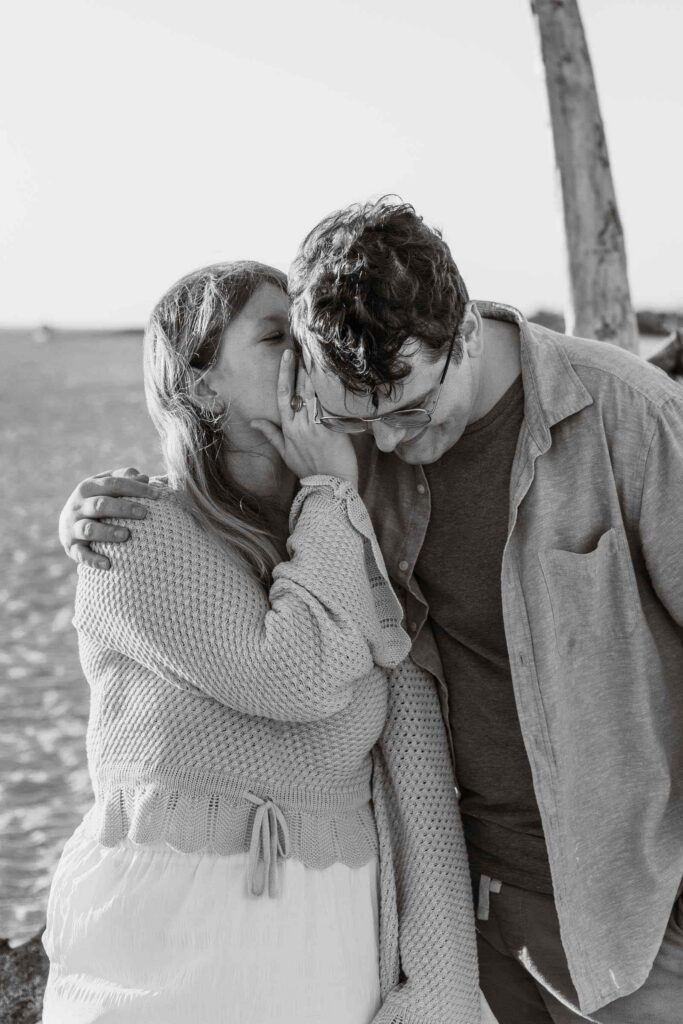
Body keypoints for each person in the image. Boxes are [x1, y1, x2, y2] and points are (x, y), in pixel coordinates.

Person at [60, 196, 683, 1023]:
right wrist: (87, 514)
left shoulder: (627, 417)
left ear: (464, 332)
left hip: (632, 908)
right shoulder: (343, 451)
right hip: (464, 902)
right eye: (359, 417)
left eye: (409, 411)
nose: (388, 441)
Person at [45, 260, 481, 1024]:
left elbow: (417, 784)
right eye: (276, 335)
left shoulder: (353, 541)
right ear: (201, 386)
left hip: (327, 960)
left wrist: (442, 989)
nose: (304, 351)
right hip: (165, 960)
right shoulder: (133, 532)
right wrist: (331, 492)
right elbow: (292, 674)